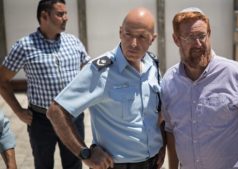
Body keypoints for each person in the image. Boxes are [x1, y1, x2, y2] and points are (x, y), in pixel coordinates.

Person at [46, 7, 165, 169]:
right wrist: (85, 153)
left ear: (152, 39)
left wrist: (162, 144)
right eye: (128, 34)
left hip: (153, 162)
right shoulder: (101, 71)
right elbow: (56, 111)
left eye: (142, 37)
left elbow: (158, 112)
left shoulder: (152, 64)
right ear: (120, 32)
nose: (133, 43)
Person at [161, 7, 238, 169]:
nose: (198, 44)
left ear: (209, 35)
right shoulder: (169, 82)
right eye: (190, 37)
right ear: (176, 40)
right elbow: (171, 131)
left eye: (202, 36)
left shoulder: (235, 74)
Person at [0, 0, 90, 168]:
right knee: (43, 165)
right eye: (60, 14)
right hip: (41, 121)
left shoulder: (73, 42)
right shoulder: (25, 46)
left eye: (66, 13)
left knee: (74, 164)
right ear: (44, 16)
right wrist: (18, 111)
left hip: (73, 117)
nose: (66, 18)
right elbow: (2, 79)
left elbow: (90, 72)